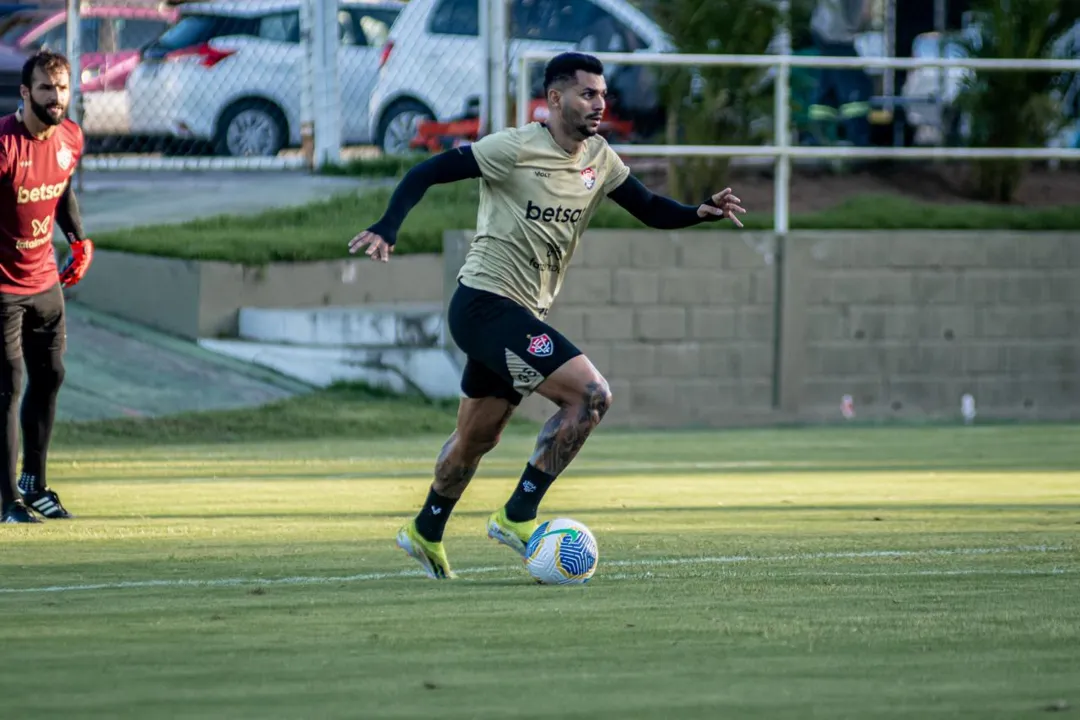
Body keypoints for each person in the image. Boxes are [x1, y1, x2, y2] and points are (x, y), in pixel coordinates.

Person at [348, 52, 745, 579]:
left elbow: (648, 208)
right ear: (554, 99)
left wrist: (698, 212)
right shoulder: (514, 148)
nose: (599, 103)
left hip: (515, 314)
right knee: (592, 395)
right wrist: (388, 226)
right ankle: (517, 516)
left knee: (476, 440)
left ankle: (425, 528)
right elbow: (427, 171)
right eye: (587, 93)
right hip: (485, 304)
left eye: (602, 94)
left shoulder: (599, 159)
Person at [0, 50, 93, 524]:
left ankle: (35, 485)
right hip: (2, 288)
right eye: (45, 89)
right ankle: (7, 499)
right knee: (9, 385)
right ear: (24, 92)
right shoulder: (3, 145)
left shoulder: (70, 137)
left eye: (61, 89)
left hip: (44, 281)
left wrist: (78, 240)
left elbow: (61, 189)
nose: (56, 99)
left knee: (51, 376)